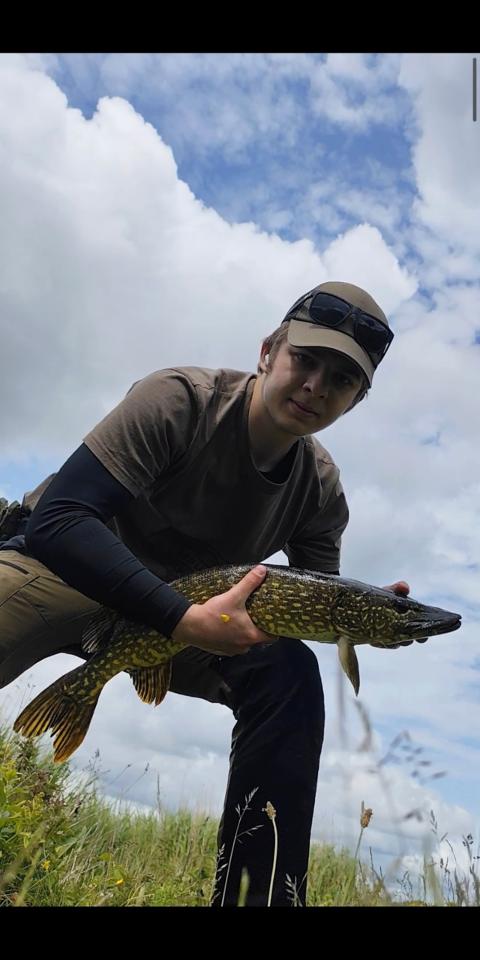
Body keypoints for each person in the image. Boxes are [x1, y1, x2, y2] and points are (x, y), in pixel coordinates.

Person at [0, 280, 412, 907]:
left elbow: (315, 601)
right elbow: (61, 520)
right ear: (268, 351)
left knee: (288, 676)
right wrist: (179, 616)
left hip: (184, 626)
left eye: (342, 379)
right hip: (61, 573)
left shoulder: (322, 491)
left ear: (356, 400)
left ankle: (258, 897)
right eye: (305, 360)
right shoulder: (180, 400)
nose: (315, 386)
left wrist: (365, 614)